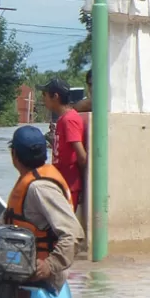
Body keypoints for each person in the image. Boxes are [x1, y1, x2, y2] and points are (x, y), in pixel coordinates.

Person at [0, 125, 84, 292]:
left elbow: (74, 234)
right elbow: (6, 220)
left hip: (39, 276)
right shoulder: (28, 181)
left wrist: (49, 265)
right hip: (17, 267)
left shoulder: (40, 188)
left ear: (14, 155)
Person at [41, 78, 87, 212]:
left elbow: (82, 157)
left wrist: (81, 185)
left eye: (45, 95)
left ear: (55, 96)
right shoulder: (63, 119)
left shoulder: (69, 120)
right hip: (61, 183)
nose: (43, 99)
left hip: (69, 186)